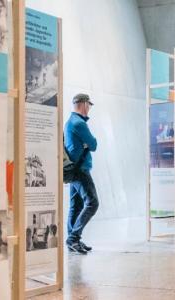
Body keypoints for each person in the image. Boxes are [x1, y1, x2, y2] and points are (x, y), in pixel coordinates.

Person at [64, 93, 98, 254]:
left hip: (73, 169)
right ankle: (73, 238)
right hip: (81, 170)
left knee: (76, 205)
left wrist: (86, 144)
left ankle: (72, 240)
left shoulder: (70, 122)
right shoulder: (79, 123)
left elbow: (88, 144)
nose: (89, 109)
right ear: (84, 104)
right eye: (89, 105)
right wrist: (86, 144)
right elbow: (93, 144)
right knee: (92, 203)